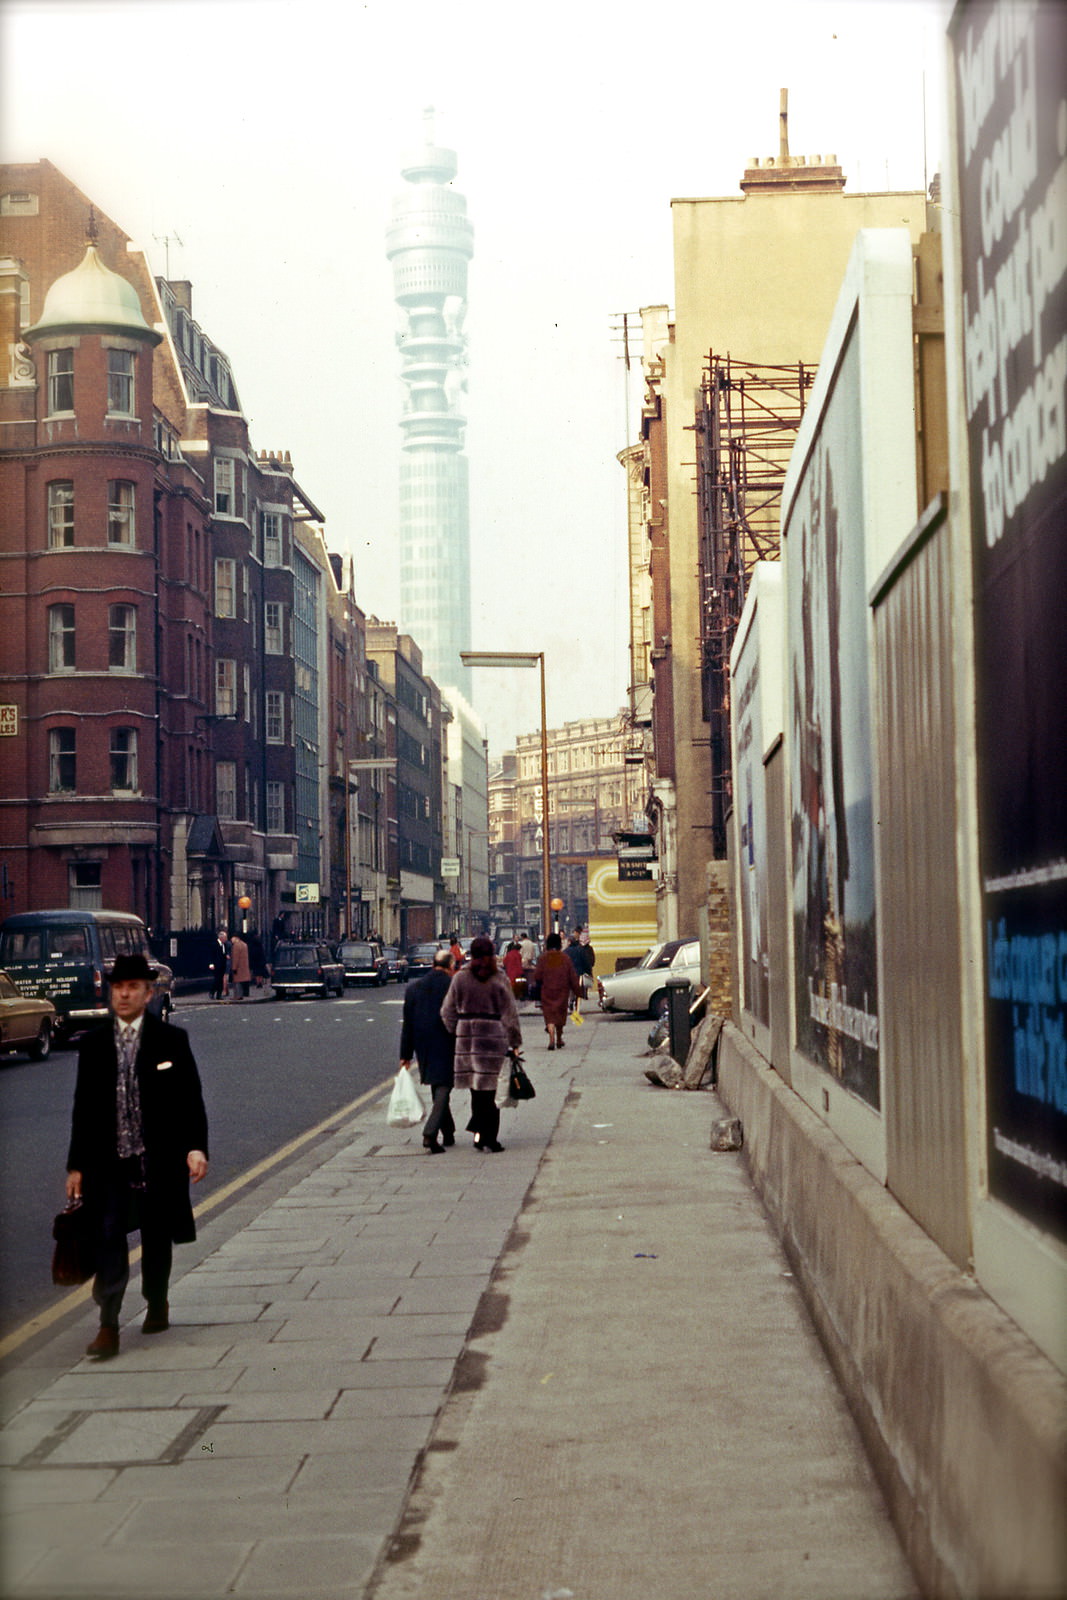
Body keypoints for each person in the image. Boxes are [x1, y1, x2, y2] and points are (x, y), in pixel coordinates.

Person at [65, 953, 209, 1360]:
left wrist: (196, 1148)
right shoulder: (92, 1045)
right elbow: (83, 1108)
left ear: (148, 994)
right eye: (117, 988)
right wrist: (75, 1165)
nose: (124, 994)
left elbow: (190, 1101)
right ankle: (108, 1323)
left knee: (156, 1235)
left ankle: (157, 1300)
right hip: (107, 1162)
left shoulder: (171, 1040)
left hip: (157, 1159)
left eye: (132, 988)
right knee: (108, 1236)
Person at [441, 934, 522, 1153]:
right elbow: (510, 1014)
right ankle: (490, 1138)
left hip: (467, 1040)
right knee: (492, 1091)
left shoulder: (460, 978)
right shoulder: (499, 979)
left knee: (476, 1091)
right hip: (492, 1039)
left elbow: (447, 1012)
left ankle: (478, 1135)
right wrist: (514, 1041)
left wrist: (456, 1031)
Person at [399, 948, 456, 1154]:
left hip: (422, 1043)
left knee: (437, 1084)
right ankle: (430, 1133)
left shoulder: (414, 988)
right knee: (444, 1085)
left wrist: (405, 1055)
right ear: (451, 966)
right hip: (446, 1040)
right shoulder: (452, 986)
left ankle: (448, 1131)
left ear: (433, 964)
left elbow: (408, 1024)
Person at [532, 931, 581, 1051]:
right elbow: (572, 976)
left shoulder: (543, 958)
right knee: (560, 1015)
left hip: (547, 991)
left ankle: (551, 1039)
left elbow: (537, 976)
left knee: (549, 1015)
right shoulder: (565, 958)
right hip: (562, 991)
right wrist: (578, 991)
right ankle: (559, 1039)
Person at [229, 930, 251, 1000]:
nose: (231, 940)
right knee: (241, 982)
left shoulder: (236, 946)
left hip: (238, 967)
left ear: (236, 938)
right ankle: (240, 995)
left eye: (232, 938)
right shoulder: (244, 944)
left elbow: (235, 958)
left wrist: (234, 968)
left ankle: (237, 996)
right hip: (244, 967)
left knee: (237, 982)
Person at [208, 930, 229, 1000]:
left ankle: (219, 995)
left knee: (220, 980)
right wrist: (211, 964)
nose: (226, 939)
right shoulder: (214, 944)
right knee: (217, 979)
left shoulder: (224, 945)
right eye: (225, 937)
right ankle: (212, 991)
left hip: (222, 965)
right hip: (216, 965)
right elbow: (211, 954)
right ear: (221, 937)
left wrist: (226, 956)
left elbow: (224, 954)